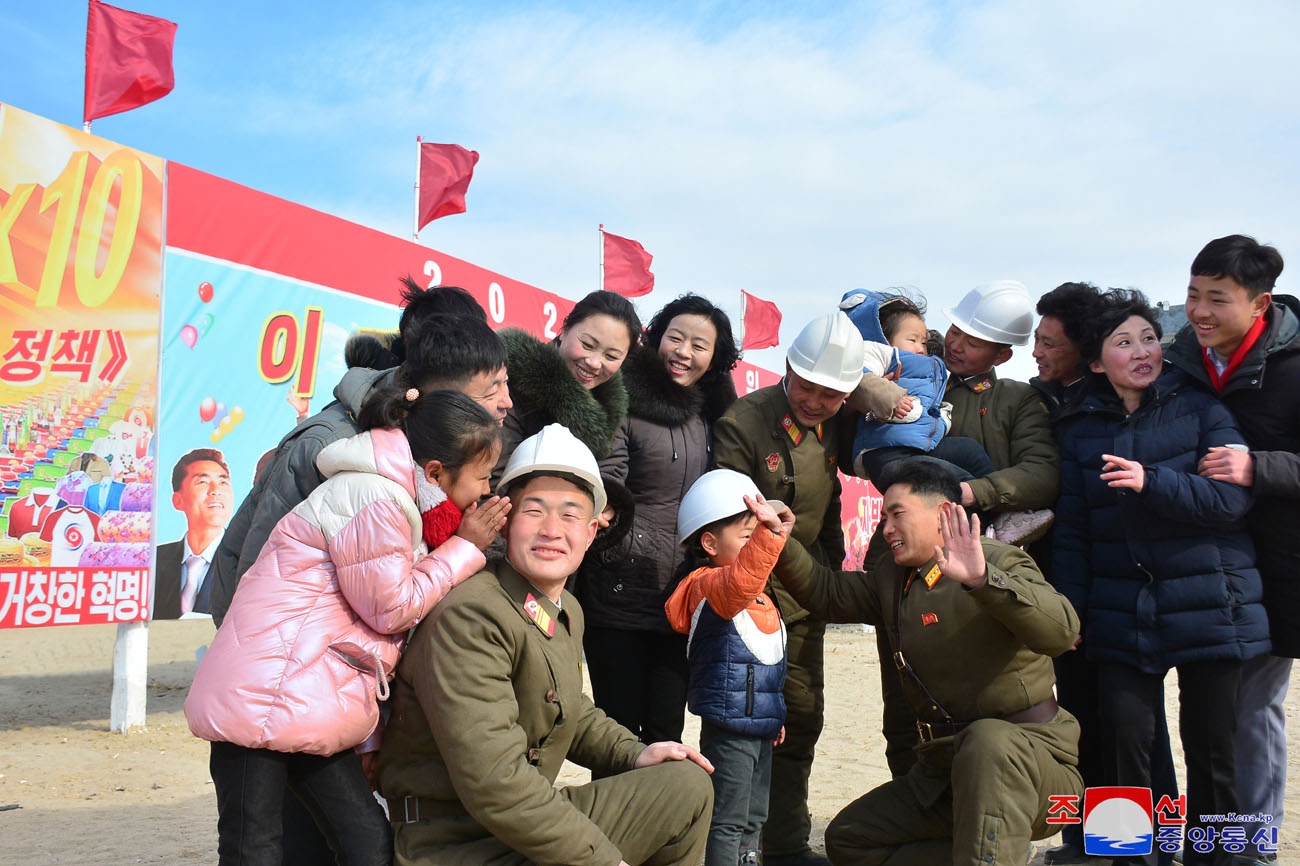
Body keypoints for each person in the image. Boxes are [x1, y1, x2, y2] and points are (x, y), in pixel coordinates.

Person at [184, 389, 510, 866]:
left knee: (367, 843)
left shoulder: (389, 496)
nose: (484, 491)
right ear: (437, 472)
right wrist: (465, 547)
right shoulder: (374, 497)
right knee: (252, 848)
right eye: (482, 478)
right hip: (262, 695)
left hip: (305, 695)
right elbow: (391, 609)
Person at [377, 423, 715, 866]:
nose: (552, 530)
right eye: (534, 511)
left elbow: (569, 708)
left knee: (685, 785)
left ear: (592, 532)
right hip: (456, 842)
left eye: (571, 514)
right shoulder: (472, 614)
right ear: (505, 521)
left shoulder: (563, 608)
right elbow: (497, 783)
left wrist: (635, 754)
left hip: (514, 826)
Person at [770, 457, 1082, 865]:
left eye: (897, 514)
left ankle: (997, 845)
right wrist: (781, 540)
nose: (886, 529)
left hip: (1037, 771)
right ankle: (1000, 847)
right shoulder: (892, 577)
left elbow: (1062, 631)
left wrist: (982, 580)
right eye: (883, 517)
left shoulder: (998, 561)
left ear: (945, 513)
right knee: (850, 839)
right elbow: (828, 592)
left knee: (989, 742)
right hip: (946, 772)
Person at [1053, 289, 1270, 866]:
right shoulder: (1081, 432)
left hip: (1211, 603)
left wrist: (1153, 481)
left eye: (1149, 337)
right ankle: (1126, 857)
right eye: (1123, 342)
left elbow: (1230, 502)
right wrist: (1071, 611)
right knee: (1121, 741)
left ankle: (1220, 859)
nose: (1143, 350)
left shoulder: (1202, 407)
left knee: (1213, 751)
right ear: (1097, 363)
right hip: (1122, 611)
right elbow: (1074, 534)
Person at [209, 296, 511, 628]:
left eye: (505, 383)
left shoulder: (440, 442)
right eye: (491, 389)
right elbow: (260, 574)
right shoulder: (329, 446)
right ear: (437, 385)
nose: (505, 403)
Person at [871, 280, 1062, 780]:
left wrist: (972, 493)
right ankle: (911, 809)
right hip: (903, 559)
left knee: (976, 702)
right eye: (955, 330)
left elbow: (1042, 473)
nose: (955, 343)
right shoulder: (910, 375)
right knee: (902, 697)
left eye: (973, 341)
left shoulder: (1019, 401)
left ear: (1001, 355)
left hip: (974, 570)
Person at [713, 310, 864, 866]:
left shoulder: (836, 425)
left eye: (831, 395)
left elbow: (826, 514)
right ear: (786, 370)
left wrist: (825, 583)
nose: (816, 402)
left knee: (801, 723)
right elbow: (730, 525)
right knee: (746, 733)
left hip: (804, 605)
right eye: (807, 387)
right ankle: (738, 848)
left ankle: (786, 845)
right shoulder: (745, 423)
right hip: (750, 605)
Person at [1164, 234, 1293, 866]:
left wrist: (1257, 467)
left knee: (1252, 710)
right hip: (1196, 570)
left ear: (1260, 303)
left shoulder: (1293, 365)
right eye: (1193, 294)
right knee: (1204, 720)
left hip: (1278, 567)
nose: (1200, 311)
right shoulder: (1179, 359)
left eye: (1218, 298)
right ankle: (1178, 844)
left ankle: (1255, 847)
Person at [578, 293, 739, 745]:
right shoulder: (622, 400)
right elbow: (610, 471)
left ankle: (661, 817)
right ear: (656, 338)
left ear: (715, 357)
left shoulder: (715, 417)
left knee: (668, 730)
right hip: (620, 592)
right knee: (619, 734)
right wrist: (609, 504)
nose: (684, 352)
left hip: (682, 597)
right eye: (676, 337)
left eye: (699, 345)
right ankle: (614, 817)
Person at [665, 470, 792, 866]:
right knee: (730, 817)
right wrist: (772, 537)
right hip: (730, 730)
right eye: (747, 535)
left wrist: (775, 716)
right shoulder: (707, 585)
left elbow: (768, 666)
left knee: (756, 816)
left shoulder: (761, 599)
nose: (757, 541)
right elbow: (740, 581)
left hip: (760, 728)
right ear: (709, 543)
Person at [838, 288, 995, 483]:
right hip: (887, 452)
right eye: (912, 340)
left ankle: (1001, 510)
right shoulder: (880, 353)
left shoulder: (931, 364)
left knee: (970, 452)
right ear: (884, 340)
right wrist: (889, 396)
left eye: (924, 341)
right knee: (954, 483)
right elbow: (858, 373)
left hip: (921, 445)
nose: (921, 348)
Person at [154, 448, 233, 619]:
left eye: (223, 482)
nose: (215, 490)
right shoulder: (153, 561)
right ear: (178, 501)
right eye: (203, 482)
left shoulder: (247, 561)